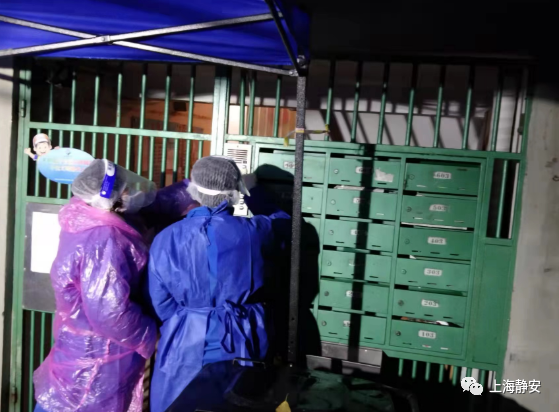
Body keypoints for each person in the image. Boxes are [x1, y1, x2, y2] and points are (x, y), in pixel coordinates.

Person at [33, 159, 198, 412]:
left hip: (88, 346)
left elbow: (154, 205)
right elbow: (110, 312)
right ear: (112, 198)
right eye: (125, 188)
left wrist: (196, 185)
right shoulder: (103, 239)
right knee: (80, 404)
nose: (131, 191)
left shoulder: (88, 214)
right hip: (96, 357)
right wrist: (151, 333)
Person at [148, 156, 292, 412]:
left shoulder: (166, 238)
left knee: (181, 403)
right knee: (239, 400)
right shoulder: (256, 231)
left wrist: (190, 318)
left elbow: (160, 302)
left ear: (193, 189)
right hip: (243, 335)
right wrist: (254, 191)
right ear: (235, 191)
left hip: (186, 340)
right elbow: (284, 222)